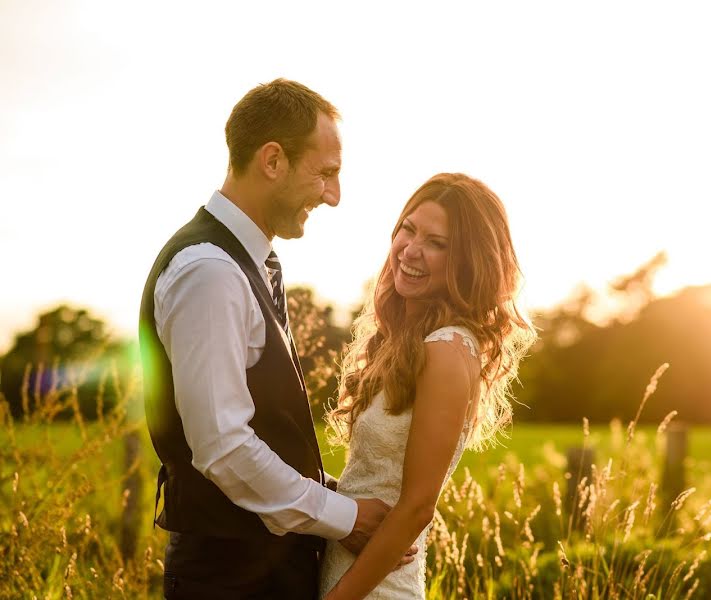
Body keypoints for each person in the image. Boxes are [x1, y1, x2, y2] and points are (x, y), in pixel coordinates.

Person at [138, 78, 413, 600]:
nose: (333, 196)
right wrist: (343, 516)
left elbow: (261, 430)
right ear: (272, 161)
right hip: (232, 579)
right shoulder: (210, 272)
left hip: (263, 570)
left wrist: (334, 493)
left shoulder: (249, 263)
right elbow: (222, 447)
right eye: (326, 174)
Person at [319, 173, 537, 599]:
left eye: (437, 243)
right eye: (408, 229)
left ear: (469, 262)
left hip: (374, 588)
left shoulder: (448, 350)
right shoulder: (408, 340)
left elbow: (417, 506)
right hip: (347, 566)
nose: (411, 250)